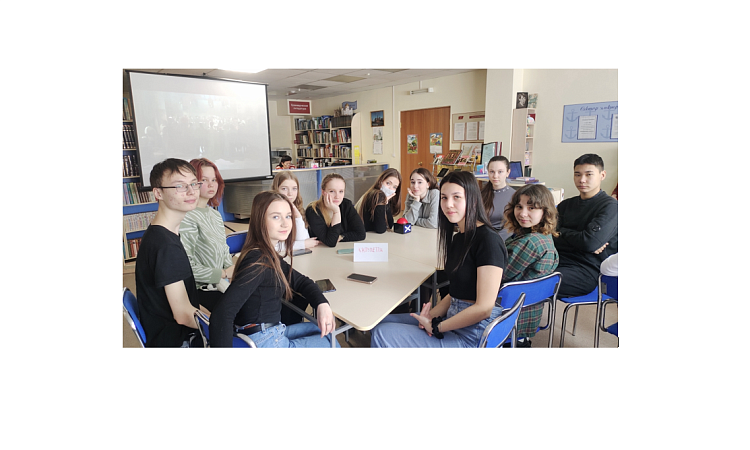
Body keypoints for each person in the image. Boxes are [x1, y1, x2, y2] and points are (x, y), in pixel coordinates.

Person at [370, 171, 508, 348]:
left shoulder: (488, 241)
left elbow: (484, 309)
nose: (448, 204)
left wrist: (437, 326)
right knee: (380, 323)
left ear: (473, 199)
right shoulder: (459, 237)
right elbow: (457, 291)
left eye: (456, 197)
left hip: (472, 335)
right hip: (453, 318)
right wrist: (431, 315)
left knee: (382, 333)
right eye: (444, 197)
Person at [208, 191, 339, 348]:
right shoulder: (260, 261)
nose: (285, 224)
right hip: (264, 338)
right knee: (331, 341)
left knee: (324, 331)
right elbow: (222, 313)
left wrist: (322, 304)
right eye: (276, 217)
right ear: (260, 221)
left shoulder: (267, 254)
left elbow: (302, 282)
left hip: (269, 331)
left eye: (288, 216)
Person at [135, 158, 202, 347]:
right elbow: (183, 315)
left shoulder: (163, 233)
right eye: (180, 186)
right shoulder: (165, 245)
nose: (191, 191)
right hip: (178, 342)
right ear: (158, 193)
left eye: (194, 184)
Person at [501, 184, 560, 346]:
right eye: (519, 206)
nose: (523, 213)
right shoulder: (542, 235)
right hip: (527, 313)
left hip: (509, 313)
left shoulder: (531, 242)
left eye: (531, 208)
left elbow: (498, 275)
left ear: (545, 212)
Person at [554, 153, 618, 297]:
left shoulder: (611, 207)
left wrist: (561, 233)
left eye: (589, 174)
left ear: (602, 175)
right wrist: (581, 239)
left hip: (586, 270)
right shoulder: (565, 205)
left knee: (535, 282)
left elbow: (589, 243)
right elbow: (548, 233)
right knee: (521, 273)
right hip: (557, 260)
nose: (582, 180)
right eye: (577, 174)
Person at [179, 158, 233, 312]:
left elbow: (224, 249)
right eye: (204, 180)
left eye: (214, 180)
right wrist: (223, 273)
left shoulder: (215, 214)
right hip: (200, 290)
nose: (211, 185)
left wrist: (231, 271)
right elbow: (186, 266)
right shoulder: (187, 217)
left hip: (221, 283)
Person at [305, 173, 365, 247]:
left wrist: (340, 237)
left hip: (340, 249)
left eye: (341, 191)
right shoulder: (313, 210)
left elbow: (361, 233)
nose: (337, 196)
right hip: (320, 252)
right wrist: (336, 211)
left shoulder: (346, 205)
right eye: (332, 191)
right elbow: (331, 242)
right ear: (323, 192)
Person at [272, 170, 319, 251]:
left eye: (294, 189)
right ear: (276, 189)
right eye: (284, 189)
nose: (290, 193)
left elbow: (304, 240)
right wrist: (302, 244)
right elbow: (271, 245)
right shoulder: (269, 211)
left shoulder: (299, 209)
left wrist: (298, 217)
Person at [355, 168, 402, 233]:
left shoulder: (382, 196)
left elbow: (390, 225)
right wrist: (384, 202)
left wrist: (386, 202)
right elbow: (381, 229)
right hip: (364, 236)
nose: (390, 189)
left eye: (394, 187)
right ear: (380, 181)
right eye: (388, 183)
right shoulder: (377, 194)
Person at [481, 156, 515, 240]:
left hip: (502, 239)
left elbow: (512, 225)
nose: (495, 176)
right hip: (481, 236)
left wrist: (494, 240)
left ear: (508, 172)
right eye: (492, 172)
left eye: (500, 172)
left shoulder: (515, 195)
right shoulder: (481, 194)